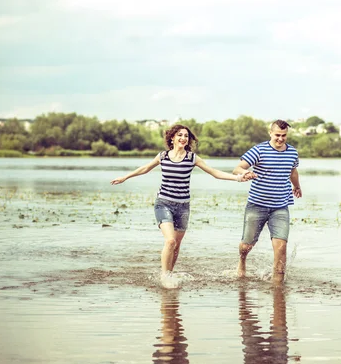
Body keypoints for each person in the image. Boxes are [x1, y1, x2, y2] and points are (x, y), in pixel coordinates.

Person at [111, 124, 254, 288]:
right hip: (163, 203)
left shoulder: (192, 158)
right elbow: (145, 168)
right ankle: (165, 278)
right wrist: (125, 177)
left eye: (186, 136)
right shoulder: (163, 156)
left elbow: (214, 172)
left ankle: (169, 274)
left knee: (176, 246)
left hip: (183, 207)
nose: (183, 138)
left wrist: (238, 178)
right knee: (170, 241)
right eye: (179, 135)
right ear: (172, 138)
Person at [233, 119, 302, 285]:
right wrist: (246, 173)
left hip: (280, 206)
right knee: (246, 246)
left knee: (281, 246)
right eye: (277, 135)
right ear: (270, 133)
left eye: (284, 135)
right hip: (256, 205)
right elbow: (237, 168)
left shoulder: (292, 152)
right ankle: (242, 261)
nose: (280, 138)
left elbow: (293, 172)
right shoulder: (259, 150)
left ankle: (277, 284)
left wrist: (297, 186)